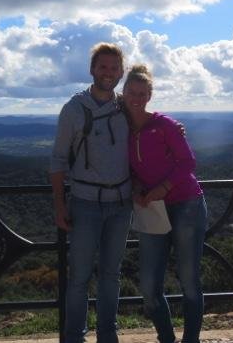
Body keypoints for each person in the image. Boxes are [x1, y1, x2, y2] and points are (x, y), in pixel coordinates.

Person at [49, 42, 133, 343]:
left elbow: (151, 127)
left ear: (121, 72)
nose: (108, 72)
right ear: (92, 70)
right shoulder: (74, 109)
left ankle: (107, 335)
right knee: (80, 277)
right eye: (103, 66)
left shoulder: (126, 107)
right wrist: (60, 206)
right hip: (84, 204)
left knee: (111, 275)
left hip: (121, 204)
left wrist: (175, 128)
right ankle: (75, 337)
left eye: (114, 68)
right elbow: (58, 160)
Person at [123, 64, 207, 343]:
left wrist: (162, 188)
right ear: (123, 93)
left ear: (149, 95)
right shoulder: (120, 126)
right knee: (149, 286)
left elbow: (188, 162)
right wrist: (138, 187)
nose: (136, 98)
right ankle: (167, 338)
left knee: (189, 280)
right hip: (152, 207)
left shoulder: (165, 125)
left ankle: (191, 339)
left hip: (186, 203)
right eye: (132, 92)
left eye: (142, 93)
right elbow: (130, 168)